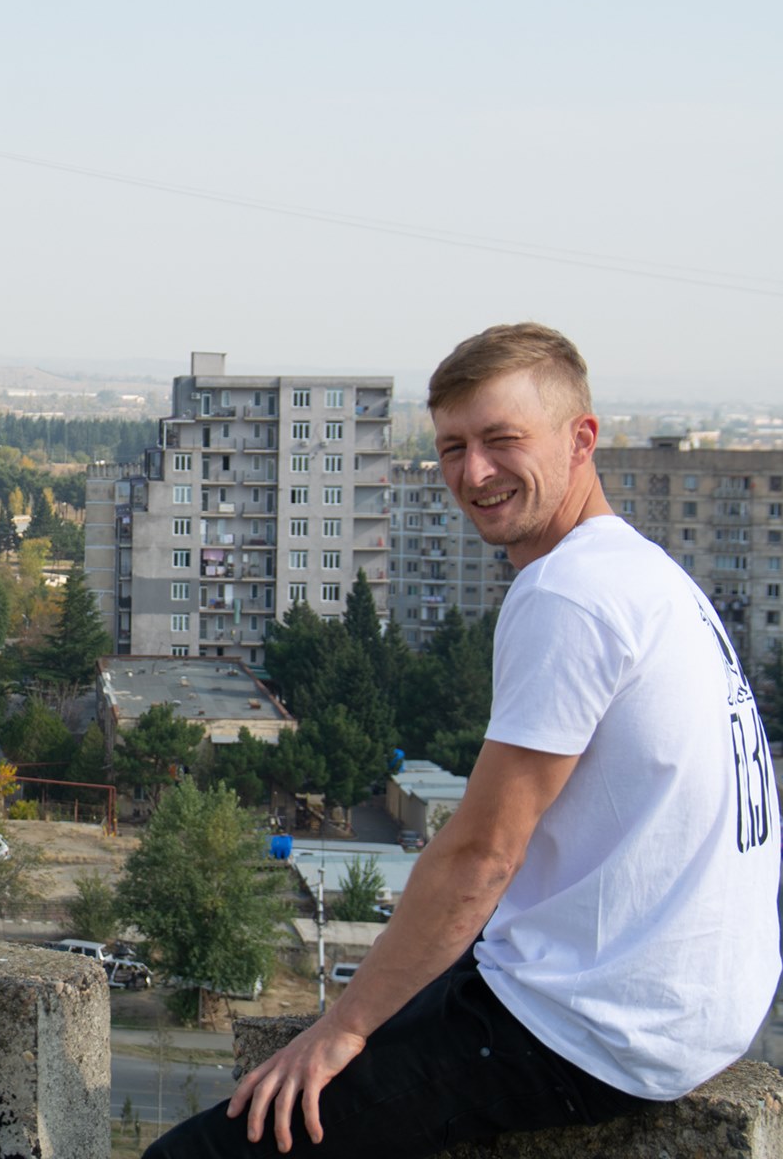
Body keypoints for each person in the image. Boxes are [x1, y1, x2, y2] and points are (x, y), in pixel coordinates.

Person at [145, 323, 780, 1158]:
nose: (473, 473)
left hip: (604, 1026)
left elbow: (482, 856)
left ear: (581, 438)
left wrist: (342, 1027)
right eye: (452, 447)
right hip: (704, 1003)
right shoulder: (648, 574)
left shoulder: (569, 594)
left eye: (501, 440)